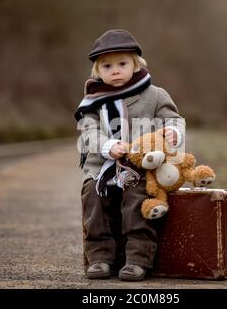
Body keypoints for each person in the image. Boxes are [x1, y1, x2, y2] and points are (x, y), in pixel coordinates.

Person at [74, 29, 185, 281]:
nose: (115, 70)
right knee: (92, 195)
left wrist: (173, 133)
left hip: (141, 167)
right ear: (97, 71)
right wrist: (107, 146)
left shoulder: (155, 94)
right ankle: (100, 257)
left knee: (136, 198)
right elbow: (88, 132)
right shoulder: (93, 101)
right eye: (107, 66)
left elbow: (174, 120)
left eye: (122, 64)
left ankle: (137, 259)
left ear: (136, 65)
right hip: (101, 168)